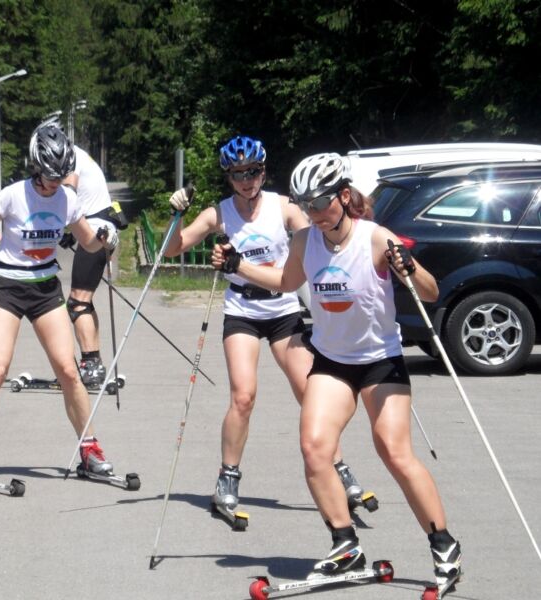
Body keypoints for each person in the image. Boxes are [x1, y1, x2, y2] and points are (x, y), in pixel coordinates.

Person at [213, 152, 461, 583]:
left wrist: (407, 265)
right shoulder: (303, 241)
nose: (313, 213)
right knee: (314, 449)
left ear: (344, 197)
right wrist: (240, 267)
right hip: (331, 362)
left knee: (394, 452)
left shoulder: (374, 238)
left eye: (320, 202)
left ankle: (443, 543)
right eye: (305, 205)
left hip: (380, 362)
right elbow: (286, 283)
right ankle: (345, 543)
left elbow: (432, 291)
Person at [164, 135, 370, 519]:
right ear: (229, 176)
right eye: (239, 173)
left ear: (263, 170)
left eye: (254, 172)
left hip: (282, 308)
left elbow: (323, 225)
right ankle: (228, 477)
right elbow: (172, 249)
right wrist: (177, 214)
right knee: (244, 396)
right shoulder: (219, 213)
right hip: (242, 309)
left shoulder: (283, 207)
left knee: (312, 391)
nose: (248, 180)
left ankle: (337, 468)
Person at [0, 123, 120, 480]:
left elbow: (88, 243)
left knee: (69, 371)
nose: (53, 184)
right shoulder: (12, 195)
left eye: (59, 177)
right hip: (8, 287)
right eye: (47, 177)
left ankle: (88, 449)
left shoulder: (68, 199)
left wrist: (106, 237)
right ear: (34, 166)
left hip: (45, 288)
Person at [59, 139, 127, 387]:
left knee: (77, 302)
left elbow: (68, 193)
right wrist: (71, 232)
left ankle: (91, 365)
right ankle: (94, 361)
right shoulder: (78, 154)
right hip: (99, 226)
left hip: (97, 230)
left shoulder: (71, 158)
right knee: (83, 301)